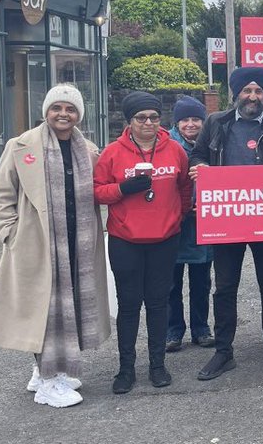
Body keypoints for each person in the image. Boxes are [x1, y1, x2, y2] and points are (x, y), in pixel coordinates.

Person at [0, 84, 111, 408]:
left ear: (78, 115)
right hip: (37, 244)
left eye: (70, 109)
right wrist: (9, 233)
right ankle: (49, 382)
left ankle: (47, 372)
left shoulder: (89, 150)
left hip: (77, 244)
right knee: (47, 311)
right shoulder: (20, 146)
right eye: (57, 108)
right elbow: (1, 196)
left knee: (68, 308)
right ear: (47, 111)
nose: (63, 114)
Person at [188, 66, 263, 380]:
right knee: (225, 287)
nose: (252, 96)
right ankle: (223, 352)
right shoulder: (215, 122)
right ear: (236, 93)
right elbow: (198, 155)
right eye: (247, 90)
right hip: (228, 216)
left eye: (258, 91)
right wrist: (199, 168)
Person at [94, 91, 194, 394]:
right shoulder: (112, 152)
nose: (148, 122)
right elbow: (97, 192)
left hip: (164, 238)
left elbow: (185, 186)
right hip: (126, 239)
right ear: (129, 121)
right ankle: (125, 368)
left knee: (158, 303)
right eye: (141, 118)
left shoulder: (174, 149)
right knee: (128, 305)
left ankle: (157, 365)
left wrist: (179, 216)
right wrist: (123, 188)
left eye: (153, 116)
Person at [166, 96, 215, 353]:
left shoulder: (210, 143)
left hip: (203, 224)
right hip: (174, 224)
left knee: (201, 281)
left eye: (196, 118)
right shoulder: (166, 145)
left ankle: (201, 329)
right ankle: (173, 331)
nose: (191, 124)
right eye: (185, 119)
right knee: (170, 283)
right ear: (177, 121)